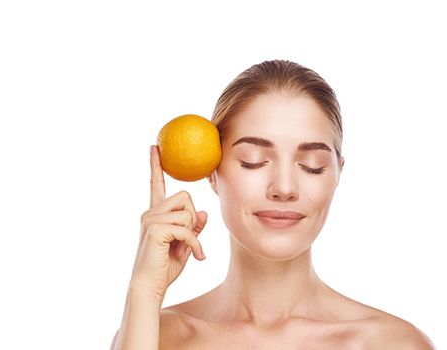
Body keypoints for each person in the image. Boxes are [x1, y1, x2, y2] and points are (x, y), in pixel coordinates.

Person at [110, 60, 435, 349]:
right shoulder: (157, 336)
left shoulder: (394, 344)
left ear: (337, 174)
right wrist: (144, 290)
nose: (284, 187)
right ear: (212, 171)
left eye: (312, 165)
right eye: (254, 161)